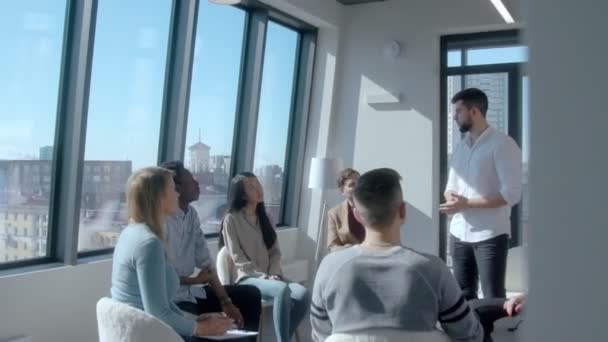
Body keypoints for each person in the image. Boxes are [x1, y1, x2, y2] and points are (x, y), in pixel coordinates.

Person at [311, 168, 483, 342]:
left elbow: (320, 335)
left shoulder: (329, 268)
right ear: (402, 212)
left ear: (357, 216)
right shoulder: (433, 269)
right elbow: (469, 334)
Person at [111, 167, 233, 340]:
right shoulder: (149, 244)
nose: (177, 194)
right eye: (172, 189)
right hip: (149, 334)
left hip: (142, 329)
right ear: (159, 196)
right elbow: (157, 313)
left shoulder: (132, 232)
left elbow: (162, 304)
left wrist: (192, 320)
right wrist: (199, 328)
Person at [161, 161, 261, 339]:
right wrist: (194, 280)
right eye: (191, 180)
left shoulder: (191, 214)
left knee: (250, 294)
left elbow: (207, 265)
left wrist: (226, 302)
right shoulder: (161, 222)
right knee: (198, 327)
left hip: (193, 293)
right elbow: (161, 279)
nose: (197, 183)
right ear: (176, 188)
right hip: (175, 301)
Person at [440, 88, 522, 300]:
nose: (454, 116)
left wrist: (466, 203)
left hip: (490, 234)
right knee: (462, 295)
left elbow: (512, 194)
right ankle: (470, 333)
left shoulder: (503, 145)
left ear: (474, 111)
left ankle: (491, 334)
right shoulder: (461, 147)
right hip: (459, 232)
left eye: (458, 111)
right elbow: (450, 186)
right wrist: (452, 199)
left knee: (493, 296)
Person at [219, 172, 310, 342]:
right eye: (251, 187)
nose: (258, 189)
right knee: (281, 290)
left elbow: (275, 252)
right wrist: (263, 276)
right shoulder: (231, 220)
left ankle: (285, 336)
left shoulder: (266, 218)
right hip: (247, 278)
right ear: (242, 194)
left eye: (258, 184)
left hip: (272, 276)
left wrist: (274, 273)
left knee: (303, 294)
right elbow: (237, 257)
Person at [327, 168, 364, 252]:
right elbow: (332, 246)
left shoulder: (374, 207)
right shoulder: (334, 213)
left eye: (360, 183)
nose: (358, 187)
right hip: (349, 259)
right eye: (352, 185)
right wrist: (348, 249)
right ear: (342, 191)